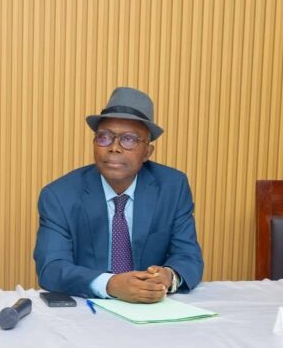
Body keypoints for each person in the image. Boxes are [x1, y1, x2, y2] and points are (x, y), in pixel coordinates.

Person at [33, 86, 203, 303]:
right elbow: (51, 267)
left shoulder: (172, 187)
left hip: (152, 308)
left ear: (147, 152)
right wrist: (110, 284)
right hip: (88, 310)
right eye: (104, 137)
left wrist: (169, 276)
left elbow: (188, 256)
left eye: (129, 139)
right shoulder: (59, 196)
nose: (114, 147)